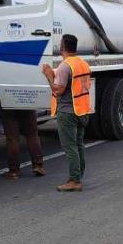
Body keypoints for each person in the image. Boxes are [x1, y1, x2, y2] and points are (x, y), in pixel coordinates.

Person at [42, 34, 91, 192]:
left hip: (68, 111)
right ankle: (78, 175)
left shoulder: (65, 66)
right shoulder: (82, 63)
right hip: (82, 109)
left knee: (70, 146)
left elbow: (58, 90)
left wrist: (49, 76)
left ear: (62, 47)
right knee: (78, 145)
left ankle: (74, 180)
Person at [2, 110, 45, 180]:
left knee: (12, 139)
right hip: (26, 105)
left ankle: (14, 171)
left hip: (8, 105)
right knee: (32, 135)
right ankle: (38, 165)